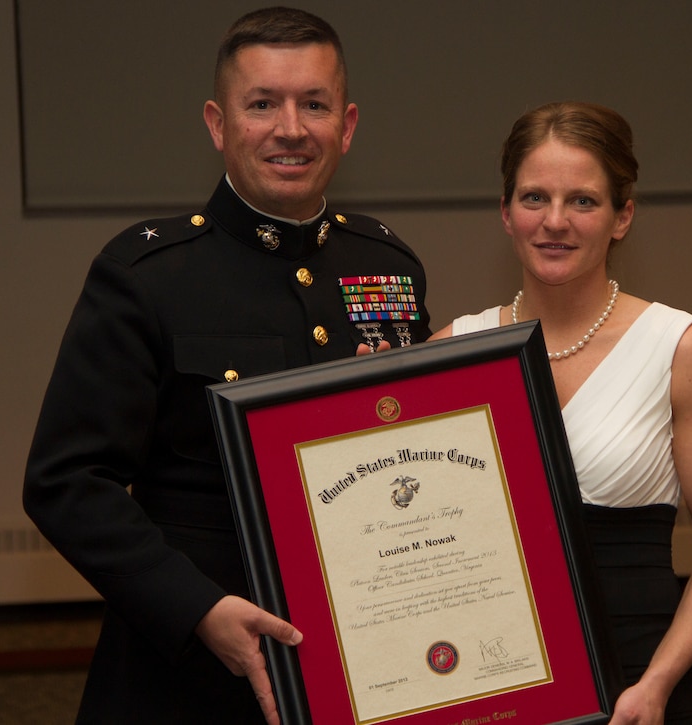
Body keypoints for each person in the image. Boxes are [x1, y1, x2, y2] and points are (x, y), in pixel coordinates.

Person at [22, 7, 431, 724]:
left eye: (315, 104)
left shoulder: (388, 266)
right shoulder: (147, 275)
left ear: (349, 123)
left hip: (364, 656)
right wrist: (197, 607)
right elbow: (64, 483)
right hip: (184, 671)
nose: (291, 128)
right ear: (218, 124)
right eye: (263, 104)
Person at [428, 101, 692, 724]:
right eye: (533, 198)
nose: (555, 222)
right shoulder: (452, 351)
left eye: (582, 200)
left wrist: (659, 682)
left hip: (639, 684)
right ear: (505, 212)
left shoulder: (678, 349)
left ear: (622, 216)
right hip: (489, 685)